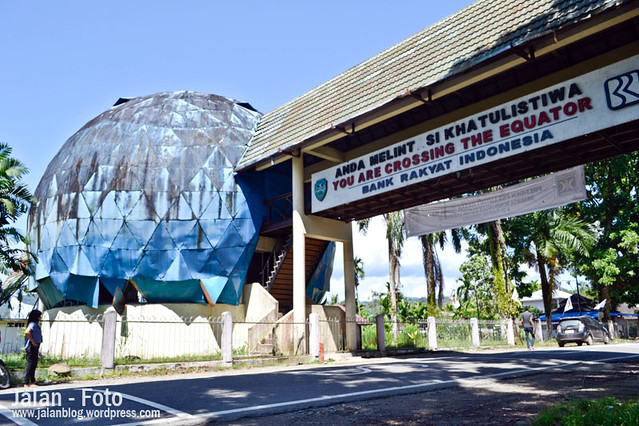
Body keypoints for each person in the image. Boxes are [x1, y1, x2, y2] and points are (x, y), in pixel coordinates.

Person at [24, 310, 43, 386]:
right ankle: (26, 381)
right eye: (39, 316)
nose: (40, 318)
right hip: (32, 346)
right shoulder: (32, 324)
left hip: (35, 345)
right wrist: (32, 341)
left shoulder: (35, 324)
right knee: (31, 363)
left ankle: (32, 380)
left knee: (34, 363)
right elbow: (27, 332)